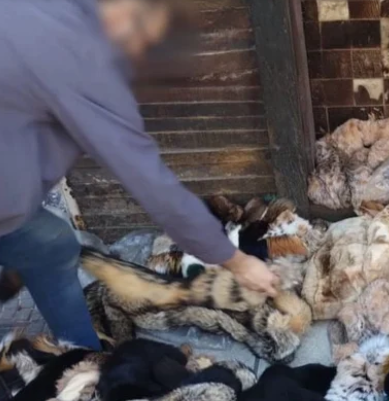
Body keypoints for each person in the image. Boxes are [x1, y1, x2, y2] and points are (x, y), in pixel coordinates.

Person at [0, 0, 279, 350]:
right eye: (146, 40)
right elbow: (154, 186)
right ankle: (81, 356)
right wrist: (238, 262)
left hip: (12, 203)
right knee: (46, 244)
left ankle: (78, 348)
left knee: (52, 244)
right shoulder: (83, 59)